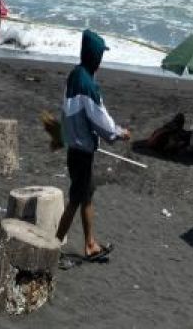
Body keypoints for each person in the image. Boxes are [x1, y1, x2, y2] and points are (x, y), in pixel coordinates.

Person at [56, 29, 130, 262]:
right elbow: (101, 121)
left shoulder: (74, 75)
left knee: (86, 196)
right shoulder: (88, 85)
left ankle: (90, 243)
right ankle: (53, 244)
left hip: (73, 147)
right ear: (95, 58)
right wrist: (119, 133)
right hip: (82, 151)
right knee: (77, 199)